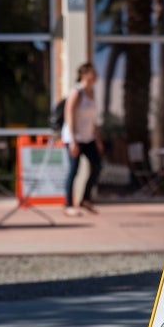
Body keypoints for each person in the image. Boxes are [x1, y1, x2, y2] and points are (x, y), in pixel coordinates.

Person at [61, 62, 103, 217]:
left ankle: (85, 199)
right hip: (74, 138)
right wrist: (72, 140)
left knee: (98, 166)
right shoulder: (76, 92)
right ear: (84, 75)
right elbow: (69, 116)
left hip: (88, 137)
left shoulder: (92, 92)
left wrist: (97, 139)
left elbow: (92, 120)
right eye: (93, 72)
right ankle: (68, 205)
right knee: (74, 170)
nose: (96, 75)